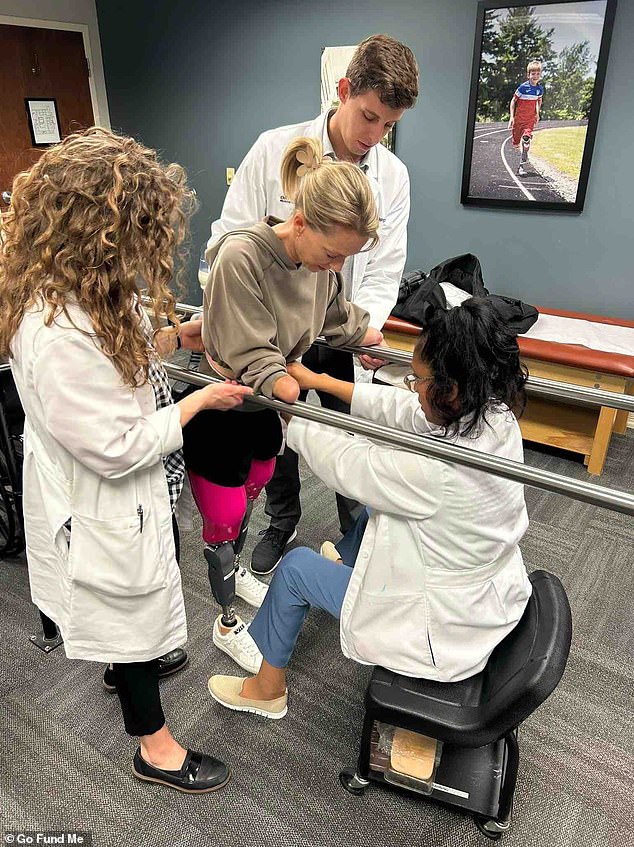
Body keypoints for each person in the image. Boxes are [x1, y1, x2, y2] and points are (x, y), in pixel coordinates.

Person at [0, 127, 253, 792]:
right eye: (138, 235)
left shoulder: (75, 283)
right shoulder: (53, 333)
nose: (146, 251)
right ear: (100, 233)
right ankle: (156, 748)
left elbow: (120, 352)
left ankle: (124, 665)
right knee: (129, 605)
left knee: (137, 600)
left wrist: (174, 334)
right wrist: (199, 405)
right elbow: (114, 447)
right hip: (104, 494)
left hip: (119, 488)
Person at [206, 297, 534, 718]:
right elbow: (403, 410)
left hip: (439, 626)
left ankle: (266, 690)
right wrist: (318, 380)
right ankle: (345, 566)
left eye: (418, 381)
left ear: (450, 390)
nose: (412, 392)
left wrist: (290, 413)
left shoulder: (435, 474)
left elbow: (350, 465)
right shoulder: (493, 414)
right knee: (370, 522)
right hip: (481, 590)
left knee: (295, 569)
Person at [208, 34, 419, 574]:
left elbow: (385, 265)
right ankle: (282, 524)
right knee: (276, 433)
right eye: (369, 116)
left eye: (388, 125)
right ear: (344, 91)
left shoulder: (392, 178)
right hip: (274, 339)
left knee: (354, 438)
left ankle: (358, 532)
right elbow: (228, 240)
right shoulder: (273, 148)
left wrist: (365, 329)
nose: (375, 135)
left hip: (337, 327)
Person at [184, 134, 383, 673]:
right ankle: (225, 622)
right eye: (332, 252)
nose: (336, 265)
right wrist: (293, 380)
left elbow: (337, 318)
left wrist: (368, 340)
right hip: (225, 407)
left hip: (264, 414)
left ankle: (242, 573)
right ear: (300, 223)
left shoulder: (322, 268)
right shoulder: (242, 255)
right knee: (222, 520)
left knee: (254, 493)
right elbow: (257, 356)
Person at [509, 60, 544, 176]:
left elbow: (539, 100)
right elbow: (513, 101)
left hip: (530, 120)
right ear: (528, 75)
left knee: (526, 139)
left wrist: (537, 113)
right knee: (515, 144)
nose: (535, 76)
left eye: (538, 74)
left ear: (540, 75)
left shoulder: (539, 89)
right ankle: (520, 147)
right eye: (533, 74)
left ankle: (522, 166)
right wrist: (511, 117)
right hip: (519, 120)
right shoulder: (523, 88)